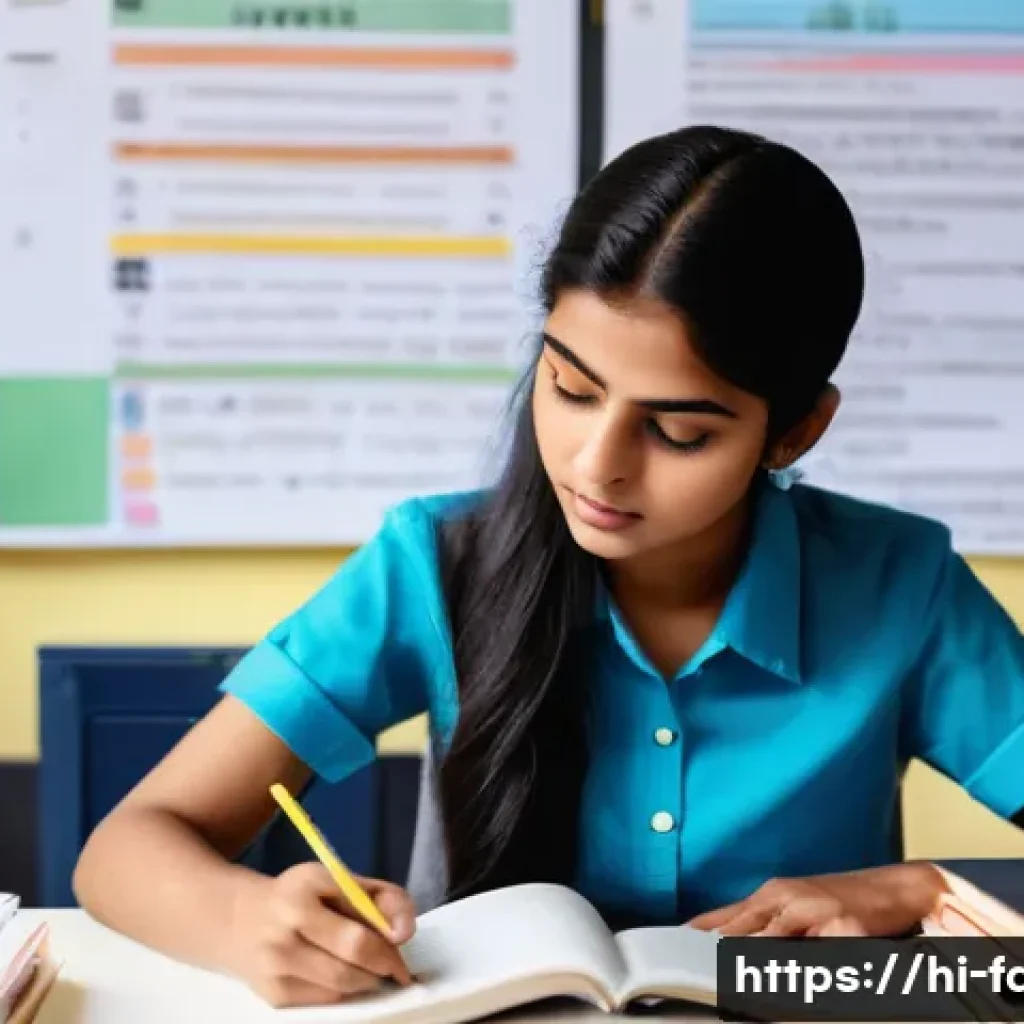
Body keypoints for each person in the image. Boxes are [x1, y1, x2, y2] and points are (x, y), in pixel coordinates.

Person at [73, 125, 1024, 1008]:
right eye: (569, 387)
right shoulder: (434, 564)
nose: (595, 462)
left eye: (678, 430)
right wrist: (245, 922)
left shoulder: (904, 586)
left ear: (795, 431)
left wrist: (929, 893)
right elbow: (124, 850)